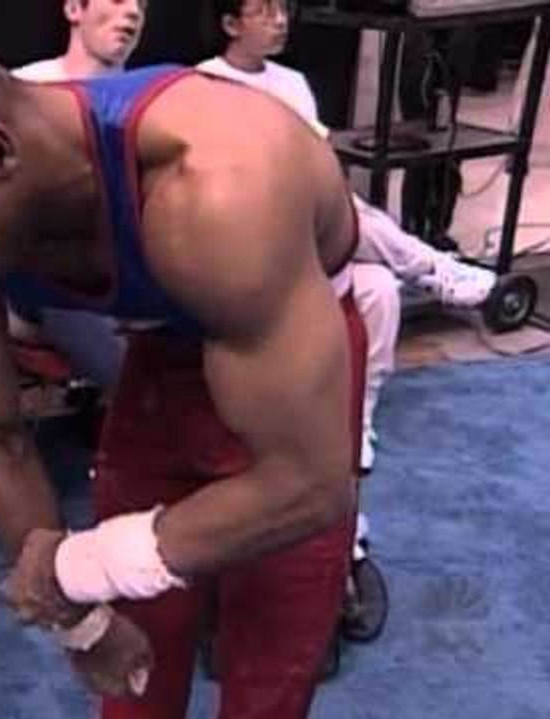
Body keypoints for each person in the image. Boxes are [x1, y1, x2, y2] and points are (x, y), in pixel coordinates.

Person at [0, 9, 368, 719]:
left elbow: (309, 484)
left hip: (292, 357)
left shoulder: (217, 184)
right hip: (162, 350)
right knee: (132, 666)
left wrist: (81, 565)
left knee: (268, 674)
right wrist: (78, 621)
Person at [196, 0, 497, 472]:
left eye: (282, 9)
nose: (280, 21)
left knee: (379, 288)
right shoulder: (203, 85)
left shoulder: (292, 82)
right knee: (348, 217)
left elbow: (320, 160)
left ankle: (357, 419)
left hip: (313, 219)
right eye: (264, 11)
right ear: (231, 23)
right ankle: (432, 267)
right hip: (253, 229)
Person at [7, 0, 148, 389]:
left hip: (132, 275)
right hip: (45, 278)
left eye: (141, 4)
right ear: (74, 9)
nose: (134, 12)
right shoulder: (22, 90)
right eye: (119, 0)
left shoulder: (149, 102)